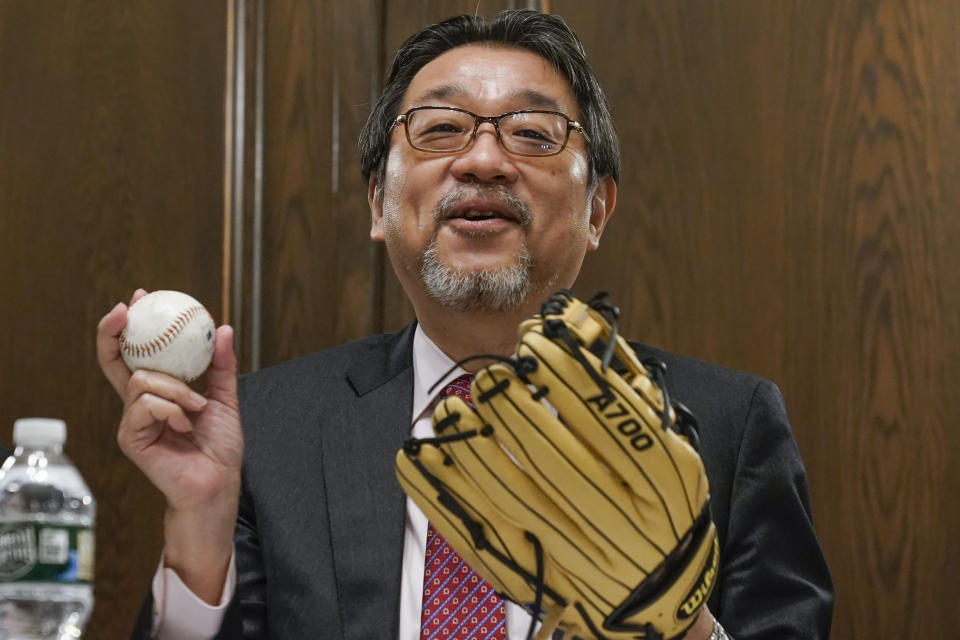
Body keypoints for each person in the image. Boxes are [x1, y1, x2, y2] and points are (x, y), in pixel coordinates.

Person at [97, 10, 833, 640]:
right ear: (380, 206)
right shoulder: (268, 428)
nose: (483, 159)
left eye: (533, 133)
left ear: (598, 209)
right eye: (441, 128)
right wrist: (200, 523)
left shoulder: (729, 428)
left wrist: (672, 616)